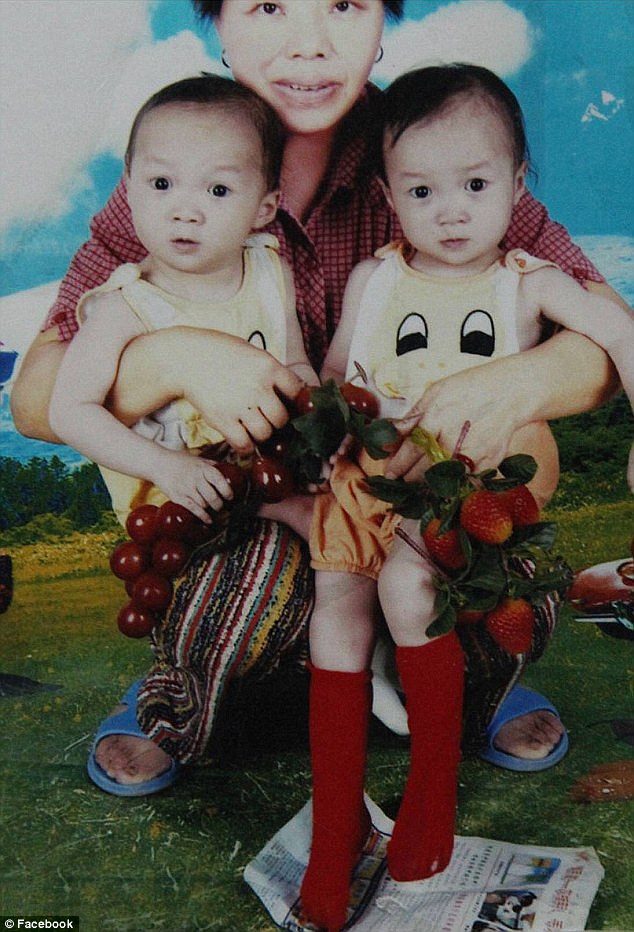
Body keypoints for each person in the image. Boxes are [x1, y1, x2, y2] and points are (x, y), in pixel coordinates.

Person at [10, 0, 625, 797]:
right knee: (249, 589)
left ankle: (479, 687)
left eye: (343, 5)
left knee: (481, 564)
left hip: (409, 482)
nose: (308, 42)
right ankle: (181, 692)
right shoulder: (179, 160)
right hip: (260, 498)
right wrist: (177, 357)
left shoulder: (439, 142)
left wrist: (519, 379)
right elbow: (35, 403)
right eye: (268, 6)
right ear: (219, 23)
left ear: (383, 19)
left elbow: (607, 341)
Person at [262, 62, 634, 930]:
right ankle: (339, 824)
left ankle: (431, 787)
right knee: (335, 603)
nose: (452, 211)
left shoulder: (527, 281)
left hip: (461, 484)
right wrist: (313, 420)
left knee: (405, 584)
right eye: (423, 190)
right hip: (372, 470)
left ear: (517, 185)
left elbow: (621, 332)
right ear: (390, 197)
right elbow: (336, 377)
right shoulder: (375, 280)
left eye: (474, 184)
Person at [48, 74, 318, 535]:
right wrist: (166, 467)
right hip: (174, 500)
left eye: (217, 190)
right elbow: (69, 411)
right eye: (161, 183)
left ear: (264, 208)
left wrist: (318, 435)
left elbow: (294, 366)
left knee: (343, 535)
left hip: (268, 475)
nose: (185, 210)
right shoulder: (127, 304)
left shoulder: (272, 275)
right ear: (128, 188)